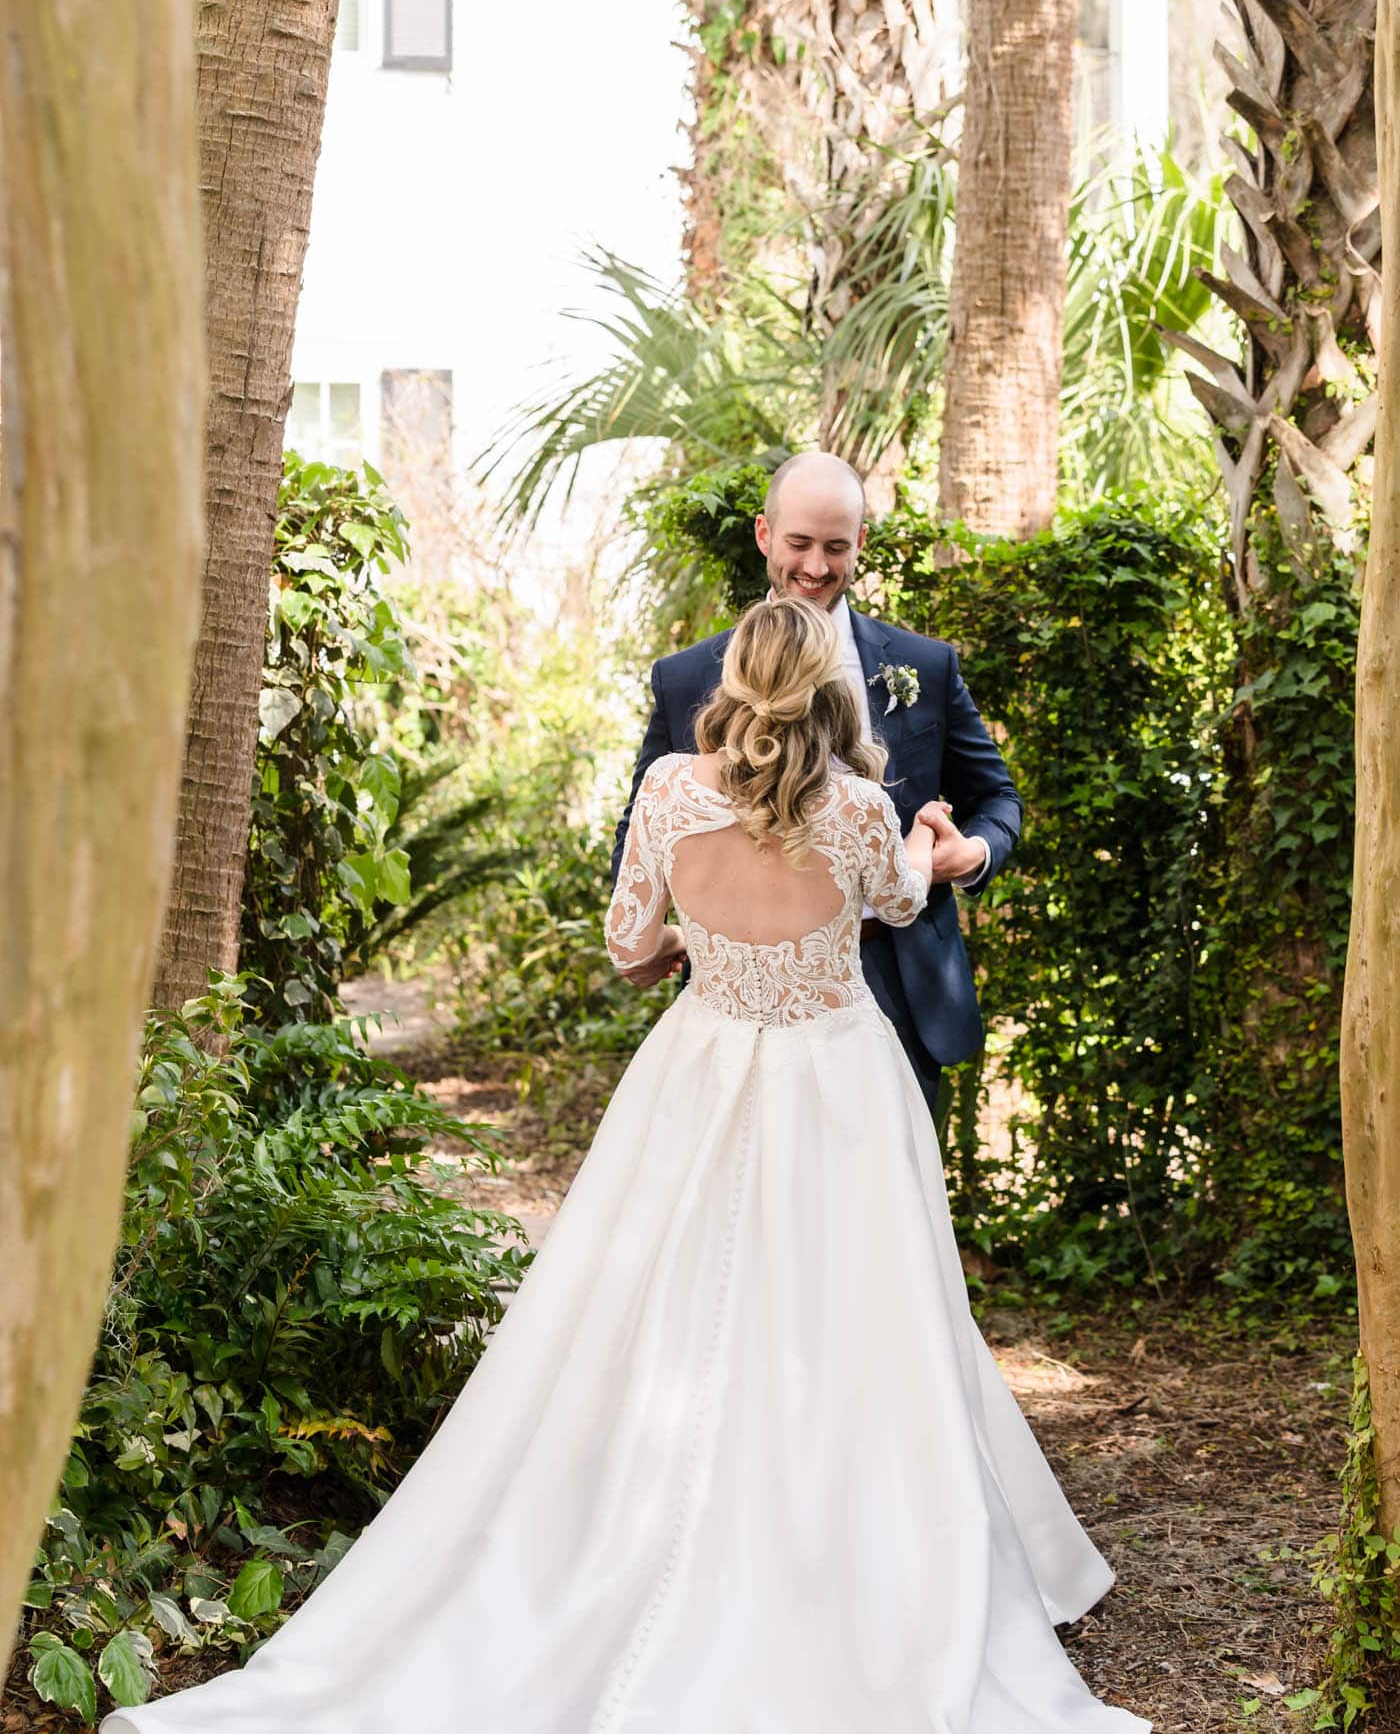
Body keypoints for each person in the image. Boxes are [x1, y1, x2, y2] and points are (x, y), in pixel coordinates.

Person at [104, 596, 1146, 1734]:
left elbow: (624, 943)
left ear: (735, 682)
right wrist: (919, 837)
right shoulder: (855, 807)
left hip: (697, 1067)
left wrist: (703, 935)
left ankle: (616, 1531)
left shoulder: (665, 788)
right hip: (835, 1080)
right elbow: (899, 901)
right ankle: (849, 1548)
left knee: (651, 1305)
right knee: (849, 1316)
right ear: (829, 689)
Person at [612, 449, 1021, 1118]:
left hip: (896, 979)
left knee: (884, 1204)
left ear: (861, 542)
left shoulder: (924, 665)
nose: (816, 566)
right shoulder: (687, 675)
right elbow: (646, 823)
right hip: (745, 1004)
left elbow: (998, 798)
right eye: (799, 543)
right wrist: (654, 932)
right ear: (764, 534)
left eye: (836, 547)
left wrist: (972, 854)